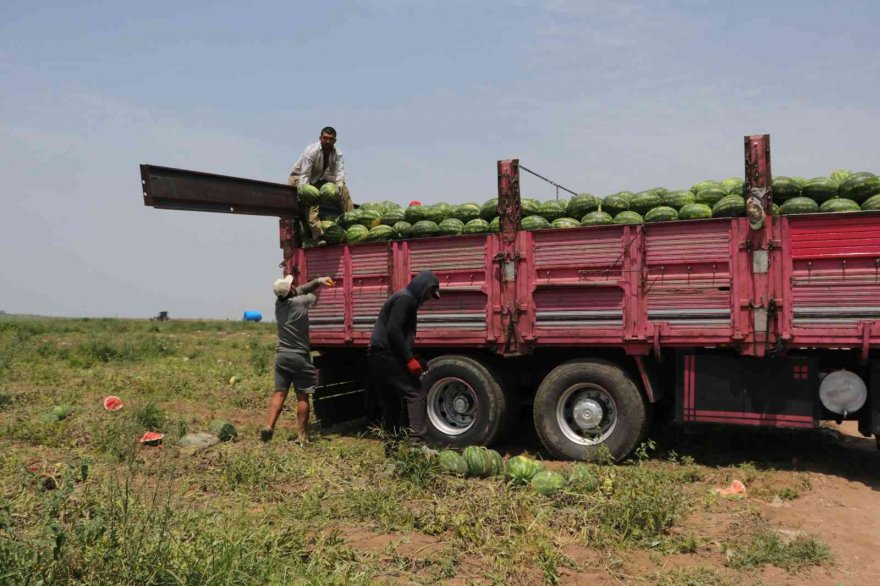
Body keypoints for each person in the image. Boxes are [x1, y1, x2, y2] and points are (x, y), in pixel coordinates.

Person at [367, 271, 441, 449]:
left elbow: (397, 335)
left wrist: (415, 357)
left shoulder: (405, 298)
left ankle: (391, 449)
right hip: (386, 355)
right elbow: (394, 331)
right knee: (416, 393)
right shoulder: (406, 299)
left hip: (379, 356)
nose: (428, 299)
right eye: (430, 294)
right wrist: (409, 360)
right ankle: (417, 444)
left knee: (391, 403)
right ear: (424, 287)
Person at [261, 273, 334, 445]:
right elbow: (312, 296)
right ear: (291, 290)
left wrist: (317, 281)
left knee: (279, 393)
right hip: (300, 357)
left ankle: (269, 427)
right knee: (302, 396)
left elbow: (299, 290)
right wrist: (322, 285)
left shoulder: (279, 304)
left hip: (282, 357)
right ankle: (302, 435)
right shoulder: (302, 302)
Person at [288, 126, 354, 242]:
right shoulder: (311, 151)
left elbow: (340, 173)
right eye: (325, 138)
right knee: (312, 200)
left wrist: (338, 189)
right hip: (299, 179)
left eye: (331, 139)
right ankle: (317, 234)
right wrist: (305, 193)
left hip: (316, 179)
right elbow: (305, 175)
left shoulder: (338, 153)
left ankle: (353, 221)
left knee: (343, 189)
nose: (327, 141)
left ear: (335, 141)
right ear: (320, 138)